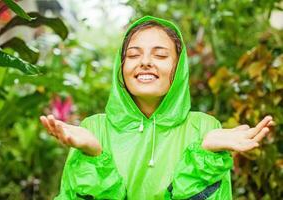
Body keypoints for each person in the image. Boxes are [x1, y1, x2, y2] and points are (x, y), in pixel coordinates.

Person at [40, 16, 274, 200]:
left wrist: (204, 154)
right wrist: (94, 156)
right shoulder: (93, 129)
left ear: (179, 68)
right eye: (133, 55)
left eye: (160, 55)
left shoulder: (204, 127)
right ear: (121, 67)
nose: (145, 62)